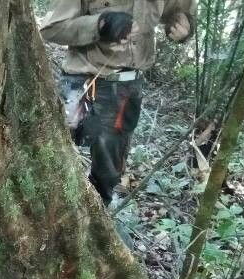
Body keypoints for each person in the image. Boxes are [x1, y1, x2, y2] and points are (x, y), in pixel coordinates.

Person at [41, 1, 195, 205]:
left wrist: (184, 27)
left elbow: (181, 13)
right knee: (55, 160)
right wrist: (101, 24)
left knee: (107, 174)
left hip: (128, 88)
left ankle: (96, 215)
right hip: (84, 81)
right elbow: (51, 28)